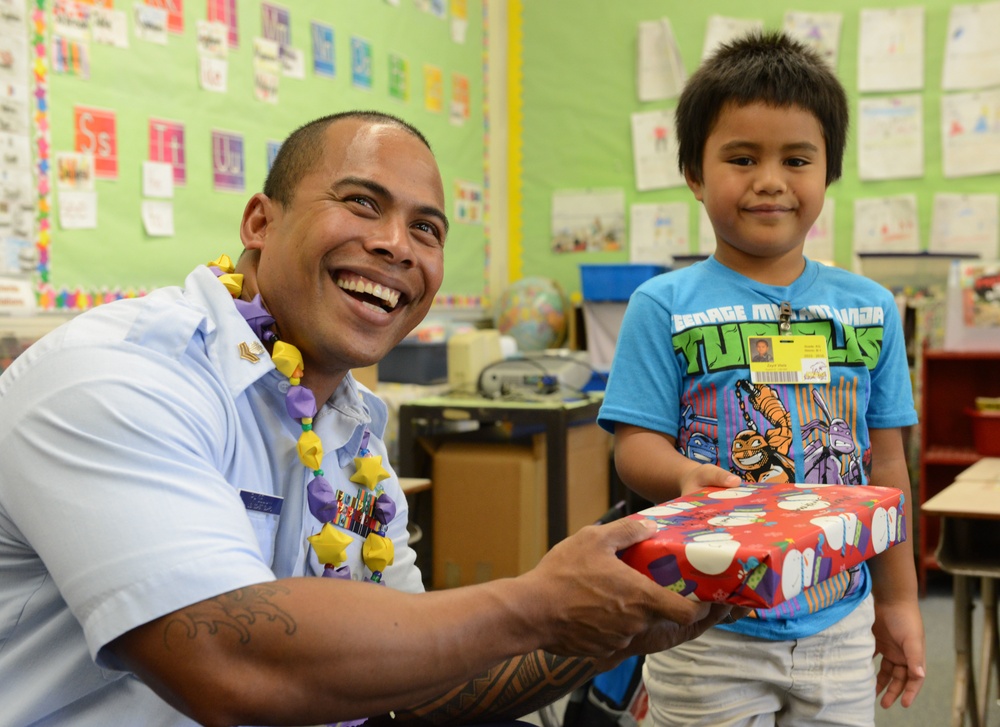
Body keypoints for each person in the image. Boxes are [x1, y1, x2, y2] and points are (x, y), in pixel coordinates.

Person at [0, 111, 737, 727]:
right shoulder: (121, 373)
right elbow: (223, 656)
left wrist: (611, 627)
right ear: (260, 220)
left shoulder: (349, 425)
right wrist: (537, 604)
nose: (394, 244)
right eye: (360, 203)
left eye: (427, 229)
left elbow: (417, 680)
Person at [598, 32, 926, 727]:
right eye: (742, 158)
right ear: (693, 172)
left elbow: (888, 467)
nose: (770, 179)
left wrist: (898, 602)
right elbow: (633, 447)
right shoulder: (664, 305)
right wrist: (685, 476)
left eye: (796, 159)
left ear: (828, 171)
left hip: (838, 616)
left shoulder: (870, 307)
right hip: (702, 622)